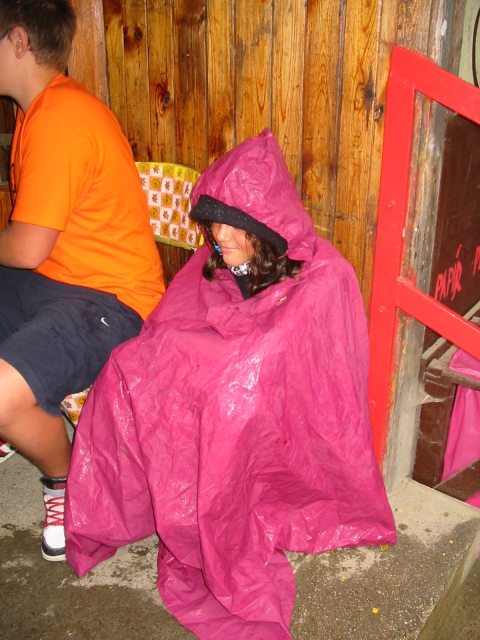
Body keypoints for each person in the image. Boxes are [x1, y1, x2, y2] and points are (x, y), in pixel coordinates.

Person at [65, 129, 396, 639]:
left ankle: (218, 512)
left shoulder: (325, 274)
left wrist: (208, 362)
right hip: (219, 364)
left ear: (266, 226)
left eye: (235, 226)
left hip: (270, 402)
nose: (220, 236)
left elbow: (281, 358)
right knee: (128, 367)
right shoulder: (216, 257)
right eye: (213, 223)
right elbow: (177, 318)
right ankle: (123, 512)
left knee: (223, 403)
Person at [0, 0, 164, 562]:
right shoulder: (36, 110)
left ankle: (63, 480)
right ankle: (19, 423)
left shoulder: (61, 117)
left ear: (18, 41)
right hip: (56, 280)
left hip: (111, 300)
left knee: (2, 395)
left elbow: (26, 247)